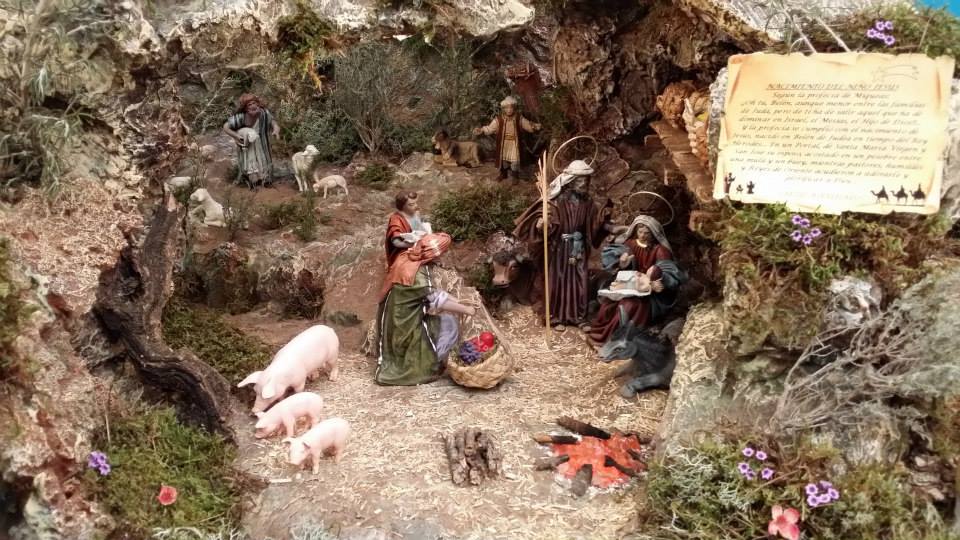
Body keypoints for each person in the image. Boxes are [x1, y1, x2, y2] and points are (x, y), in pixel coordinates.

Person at [512, 160, 621, 326]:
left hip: (578, 248)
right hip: (559, 248)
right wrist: (541, 225)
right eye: (580, 180)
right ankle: (557, 317)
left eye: (586, 180)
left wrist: (609, 227)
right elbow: (543, 220)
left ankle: (578, 317)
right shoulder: (556, 201)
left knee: (580, 281)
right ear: (570, 181)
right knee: (559, 282)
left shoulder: (588, 202)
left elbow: (593, 225)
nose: (584, 184)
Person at [375, 233, 477, 386]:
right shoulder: (418, 275)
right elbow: (436, 300)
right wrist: (466, 310)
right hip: (405, 326)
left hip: (395, 321)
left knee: (444, 320)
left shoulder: (407, 260)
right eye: (443, 253)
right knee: (449, 323)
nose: (444, 256)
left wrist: (460, 301)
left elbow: (433, 293)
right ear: (435, 254)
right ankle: (430, 364)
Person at [585, 215, 685, 345]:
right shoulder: (630, 244)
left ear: (653, 234)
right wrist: (623, 263)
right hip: (630, 285)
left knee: (629, 306)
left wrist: (658, 280)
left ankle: (619, 340)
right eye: (640, 232)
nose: (642, 235)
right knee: (608, 303)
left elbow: (668, 270)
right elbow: (616, 261)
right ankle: (603, 333)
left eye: (647, 233)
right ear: (635, 231)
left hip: (649, 294)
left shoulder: (660, 250)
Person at [473, 96, 541, 181]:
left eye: (511, 108)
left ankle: (515, 177)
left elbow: (527, 124)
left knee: (515, 160)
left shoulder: (519, 118)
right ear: (504, 109)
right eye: (507, 108)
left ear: (514, 108)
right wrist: (482, 130)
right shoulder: (499, 119)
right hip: (503, 143)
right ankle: (503, 174)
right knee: (503, 159)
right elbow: (490, 128)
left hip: (514, 144)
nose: (509, 110)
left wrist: (534, 126)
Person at [222, 94, 280, 188]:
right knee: (249, 162)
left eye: (254, 103)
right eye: (249, 105)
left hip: (263, 143)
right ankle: (251, 181)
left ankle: (266, 179)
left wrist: (276, 130)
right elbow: (226, 127)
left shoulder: (264, 114)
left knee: (264, 160)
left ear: (258, 104)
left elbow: (273, 122)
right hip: (248, 144)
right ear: (245, 108)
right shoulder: (241, 117)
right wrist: (236, 136)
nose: (253, 106)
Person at [385, 192, 431, 269]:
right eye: (411, 204)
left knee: (445, 239)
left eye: (416, 203)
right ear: (402, 206)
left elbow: (419, 224)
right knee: (409, 268)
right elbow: (396, 242)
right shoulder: (396, 220)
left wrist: (425, 224)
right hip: (406, 249)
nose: (416, 206)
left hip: (421, 241)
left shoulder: (415, 213)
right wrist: (414, 245)